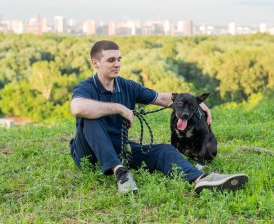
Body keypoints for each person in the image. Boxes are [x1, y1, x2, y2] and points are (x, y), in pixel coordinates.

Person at [69, 40, 248, 194]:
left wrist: (195, 102)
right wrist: (120, 108)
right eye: (111, 60)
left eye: (119, 59)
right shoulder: (87, 87)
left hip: (120, 147)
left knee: (164, 150)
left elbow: (162, 98)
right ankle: (120, 172)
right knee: (88, 118)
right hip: (88, 153)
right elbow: (77, 107)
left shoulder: (128, 86)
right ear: (95, 63)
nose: (117, 64)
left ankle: (202, 179)